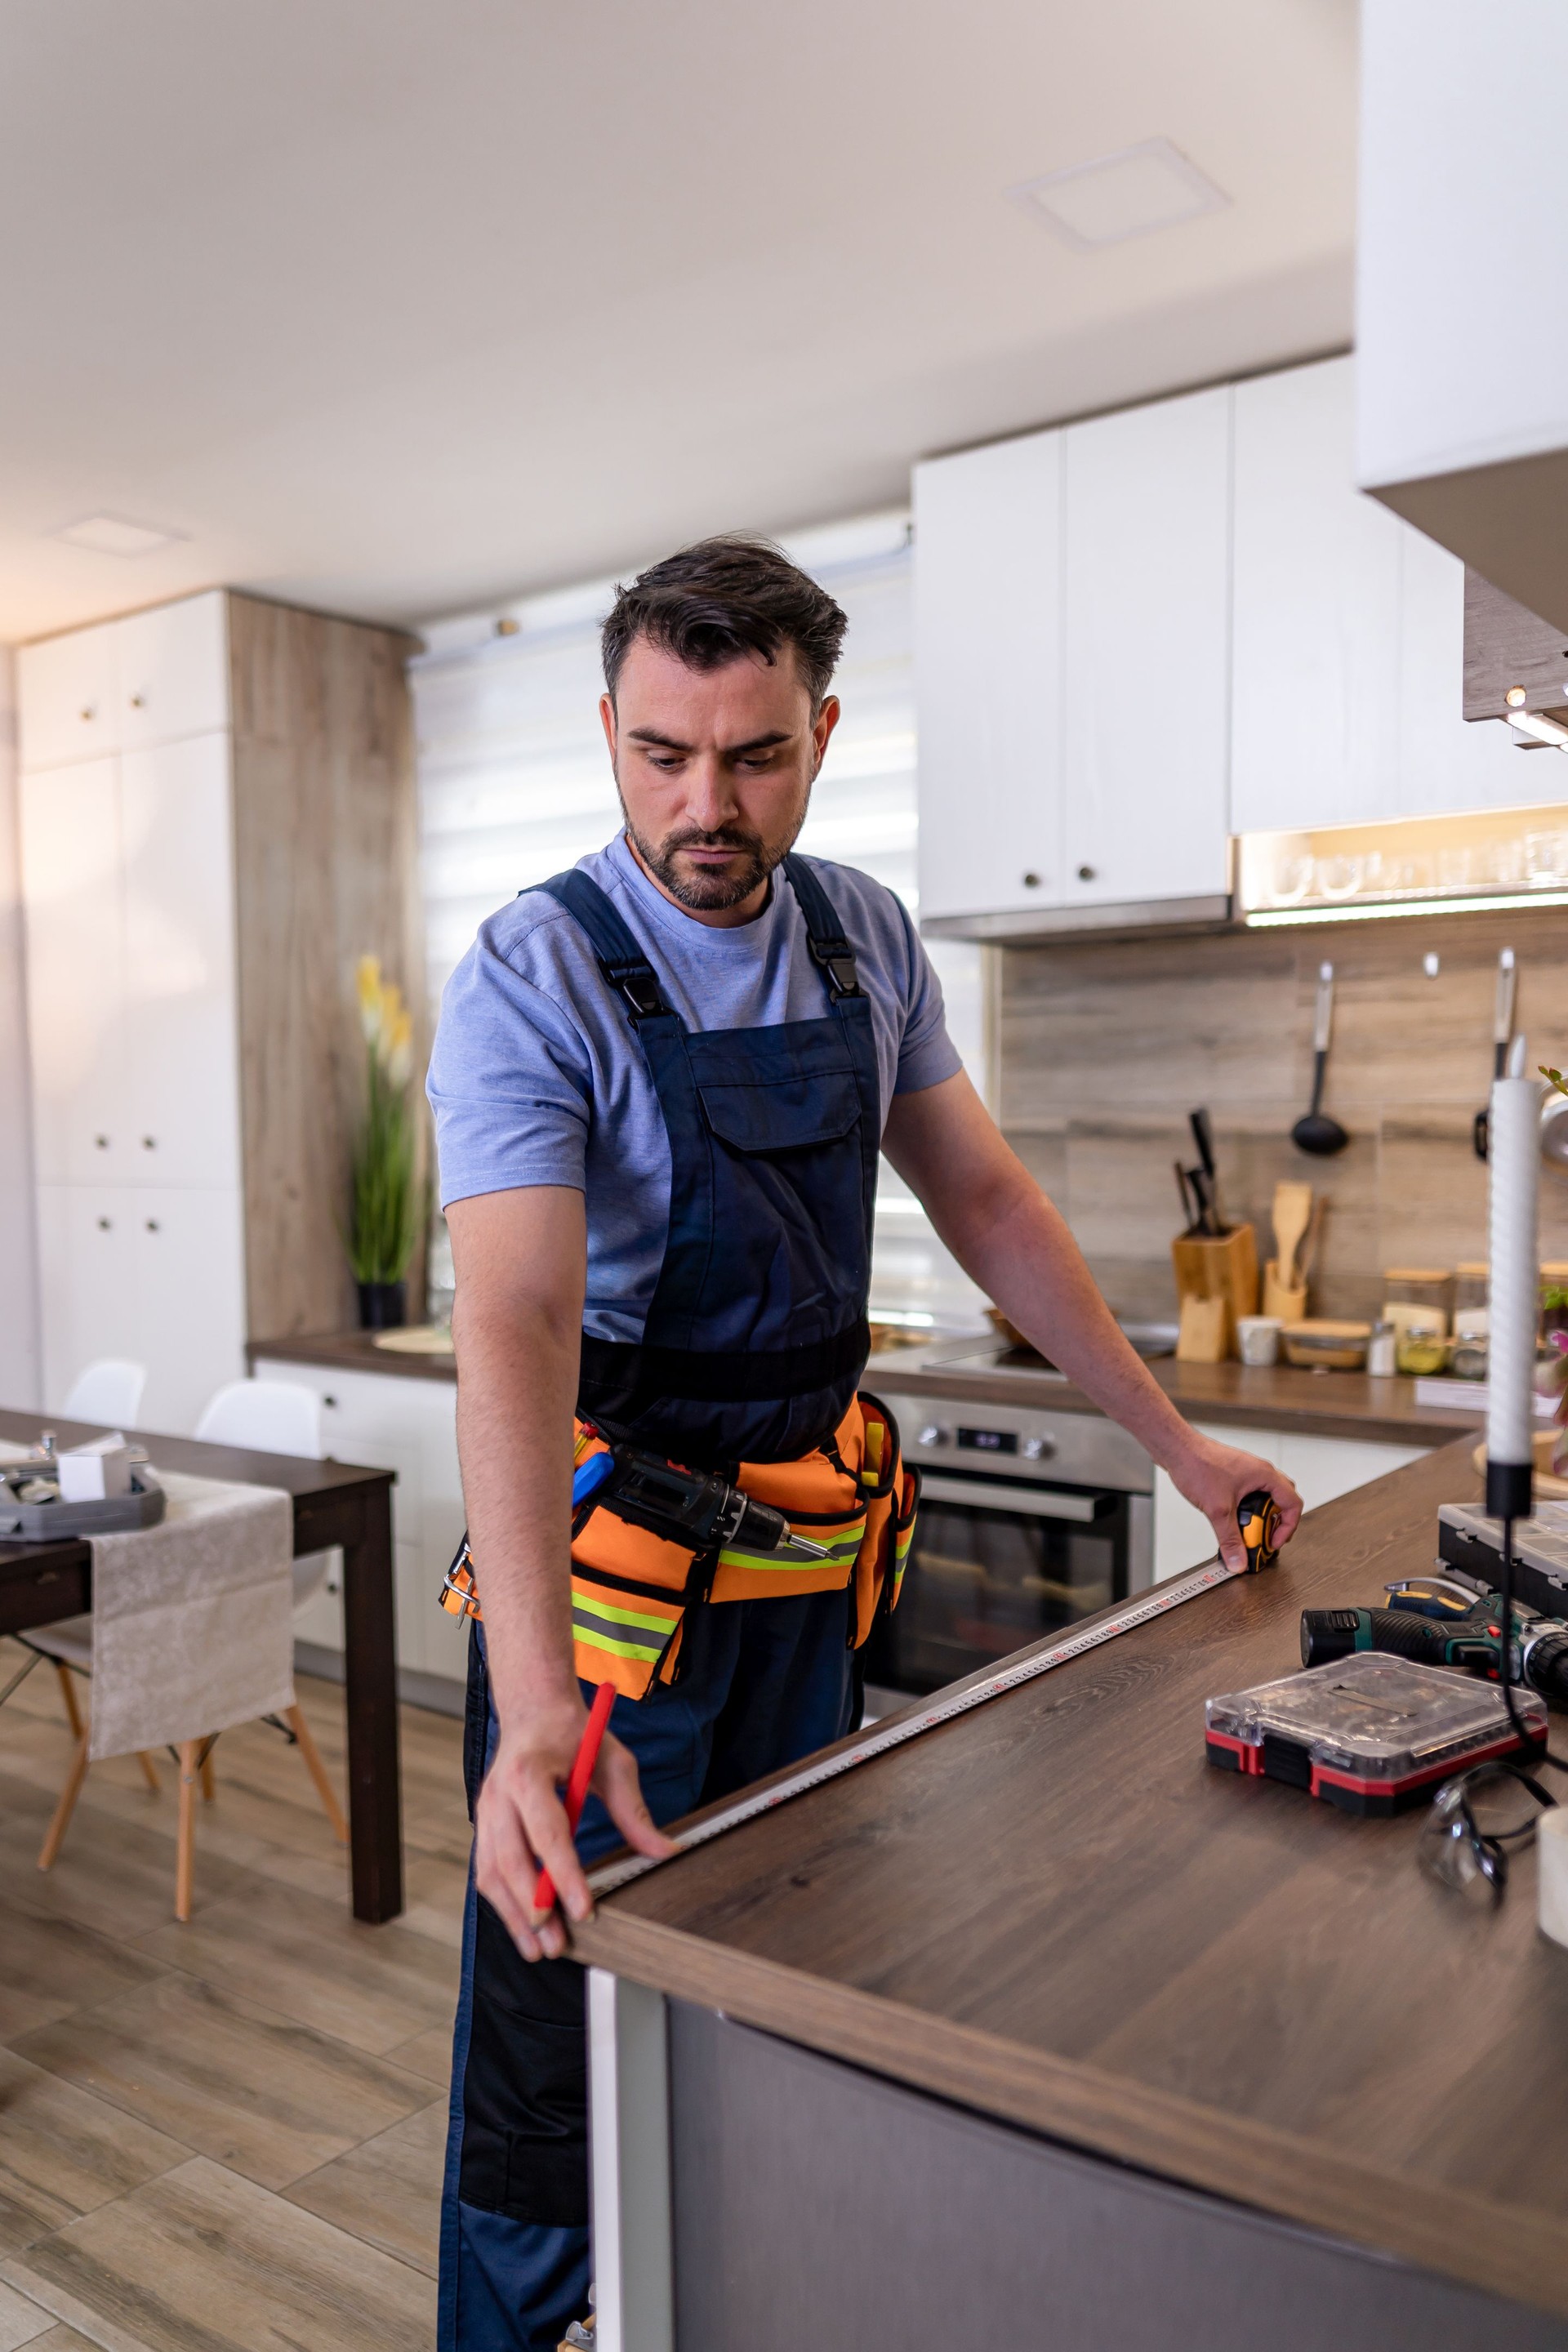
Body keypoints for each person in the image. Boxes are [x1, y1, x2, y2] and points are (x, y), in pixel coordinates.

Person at [428, 535, 1302, 2351]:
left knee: (783, 1995)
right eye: (664, 752)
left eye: (751, 755)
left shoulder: (864, 937)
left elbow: (984, 1203)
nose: (705, 803)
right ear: (610, 726)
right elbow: (507, 1325)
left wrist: (1181, 1449)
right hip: (612, 1627)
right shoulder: (537, 971)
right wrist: (523, 1714)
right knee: (557, 2046)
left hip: (808, 1580)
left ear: (822, 734)